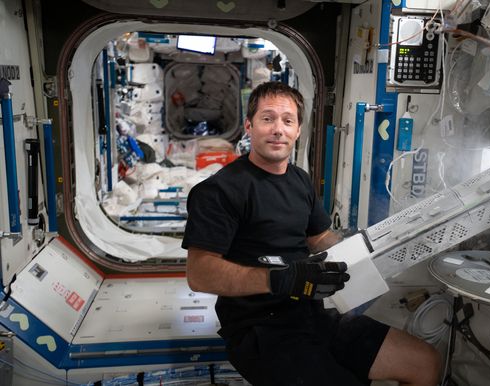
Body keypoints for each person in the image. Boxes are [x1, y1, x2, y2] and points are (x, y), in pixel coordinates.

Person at [182, 81, 440, 386]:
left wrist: (371, 246)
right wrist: (278, 278)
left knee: (425, 363)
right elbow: (199, 274)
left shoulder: (300, 181)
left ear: (298, 130)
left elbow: (319, 239)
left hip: (315, 315)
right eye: (268, 119)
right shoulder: (219, 191)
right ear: (249, 127)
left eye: (288, 121)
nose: (278, 129)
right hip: (260, 328)